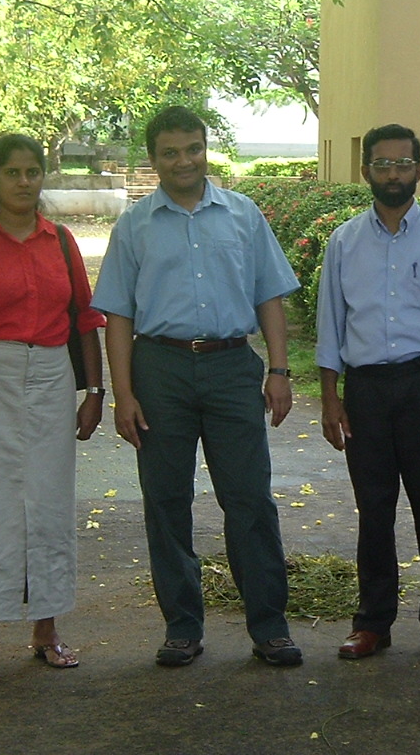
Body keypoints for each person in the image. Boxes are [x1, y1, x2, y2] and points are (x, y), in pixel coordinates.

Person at [91, 105, 303, 668]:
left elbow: (269, 297)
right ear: (153, 158)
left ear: (205, 149)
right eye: (170, 152)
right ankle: (182, 626)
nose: (183, 161)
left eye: (192, 149)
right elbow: (116, 316)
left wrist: (279, 371)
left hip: (233, 368)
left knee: (250, 496)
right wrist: (124, 393)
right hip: (159, 371)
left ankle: (270, 625)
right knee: (166, 500)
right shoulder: (134, 225)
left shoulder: (242, 214)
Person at [0, 134, 105, 679]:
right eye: (13, 173)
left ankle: (47, 629)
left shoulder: (60, 241)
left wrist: (94, 393)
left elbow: (85, 319)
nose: (25, 182)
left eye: (33, 172)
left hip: (51, 377)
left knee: (49, 504)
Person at [316, 123, 420, 662]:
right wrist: (330, 396)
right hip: (364, 391)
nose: (392, 174)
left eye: (403, 164)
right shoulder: (344, 241)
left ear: (419, 170)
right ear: (366, 172)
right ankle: (373, 622)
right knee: (374, 509)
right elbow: (330, 323)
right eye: (382, 164)